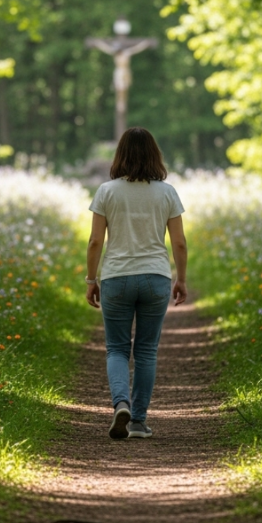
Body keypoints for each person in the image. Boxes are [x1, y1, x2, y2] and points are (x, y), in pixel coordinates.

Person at [85, 127, 188, 439]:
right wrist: (181, 279)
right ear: (155, 155)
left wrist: (91, 279)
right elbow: (180, 243)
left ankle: (121, 404)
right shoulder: (167, 192)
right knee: (146, 350)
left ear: (120, 155)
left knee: (117, 348)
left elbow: (94, 242)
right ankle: (139, 422)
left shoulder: (107, 191)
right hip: (156, 277)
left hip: (116, 277)